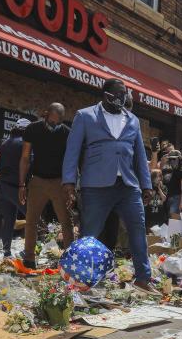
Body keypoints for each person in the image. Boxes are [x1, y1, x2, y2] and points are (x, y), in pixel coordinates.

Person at [62, 78, 158, 293]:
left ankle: (143, 278)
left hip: (127, 185)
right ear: (106, 94)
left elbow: (140, 156)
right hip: (96, 185)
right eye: (118, 93)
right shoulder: (85, 116)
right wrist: (69, 181)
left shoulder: (132, 119)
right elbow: (72, 151)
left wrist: (147, 185)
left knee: (138, 229)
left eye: (125, 94)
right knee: (90, 235)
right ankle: (81, 281)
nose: (123, 98)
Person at [20, 103, 73, 268]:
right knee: (31, 220)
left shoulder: (67, 133)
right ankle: (29, 259)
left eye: (58, 123)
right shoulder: (32, 129)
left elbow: (72, 161)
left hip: (59, 182)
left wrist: (71, 187)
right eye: (52, 121)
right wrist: (21, 184)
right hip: (37, 181)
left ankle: (69, 260)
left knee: (66, 221)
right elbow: (25, 158)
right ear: (45, 113)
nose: (54, 125)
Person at [0, 117, 30, 257]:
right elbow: (29, 163)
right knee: (34, 218)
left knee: (8, 221)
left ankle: (6, 251)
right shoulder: (25, 144)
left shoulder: (4, 144)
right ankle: (29, 251)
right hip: (16, 187)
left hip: (3, 186)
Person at [162, 150, 182, 220]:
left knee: (174, 219)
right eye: (170, 159)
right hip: (167, 197)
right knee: (168, 219)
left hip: (177, 197)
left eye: (174, 159)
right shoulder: (167, 168)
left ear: (179, 158)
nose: (172, 161)